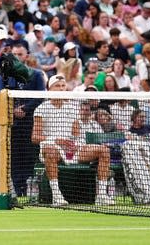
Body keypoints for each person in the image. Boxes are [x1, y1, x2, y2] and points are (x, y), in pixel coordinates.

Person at [31, 74, 114, 207]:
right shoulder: (41, 109)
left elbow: (76, 134)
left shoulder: (73, 108)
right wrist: (57, 140)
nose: (61, 89)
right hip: (52, 147)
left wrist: (75, 143)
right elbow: (35, 137)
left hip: (73, 148)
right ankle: (57, 196)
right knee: (51, 153)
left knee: (104, 151)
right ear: (49, 89)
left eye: (63, 86)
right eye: (57, 86)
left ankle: (101, 195)